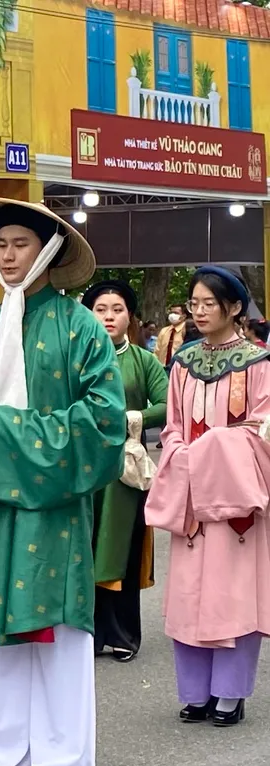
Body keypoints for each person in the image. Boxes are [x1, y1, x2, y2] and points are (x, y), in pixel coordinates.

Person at [0, 197, 126, 766]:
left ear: (47, 249)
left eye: (19, 243)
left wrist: (2, 435)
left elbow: (103, 421)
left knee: (59, 628)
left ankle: (66, 763)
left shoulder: (80, 328)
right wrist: (6, 432)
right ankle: (6, 752)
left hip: (53, 506)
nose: (8, 255)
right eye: (2, 244)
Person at [145, 266, 270, 727]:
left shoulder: (259, 363)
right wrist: (181, 453)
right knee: (190, 592)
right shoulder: (183, 361)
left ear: (234, 308)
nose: (197, 311)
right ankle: (195, 692)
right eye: (193, 303)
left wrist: (213, 448)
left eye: (207, 304)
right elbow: (173, 426)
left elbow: (263, 429)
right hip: (193, 492)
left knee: (232, 592)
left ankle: (230, 693)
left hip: (236, 497)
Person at [82, 281, 168, 662]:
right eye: (101, 309)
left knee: (123, 550)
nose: (109, 317)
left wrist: (133, 417)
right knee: (82, 548)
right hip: (81, 468)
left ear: (129, 316)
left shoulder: (143, 361)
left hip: (125, 471)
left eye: (117, 309)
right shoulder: (74, 359)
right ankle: (87, 634)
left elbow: (167, 404)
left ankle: (123, 635)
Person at [155, 302, 188, 368]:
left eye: (176, 313)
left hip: (179, 369)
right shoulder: (164, 331)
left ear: (184, 316)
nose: (172, 315)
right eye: (171, 313)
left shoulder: (187, 331)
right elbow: (157, 352)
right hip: (162, 369)